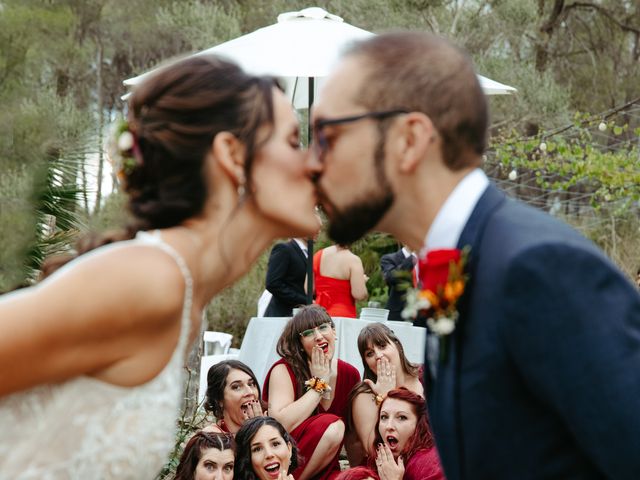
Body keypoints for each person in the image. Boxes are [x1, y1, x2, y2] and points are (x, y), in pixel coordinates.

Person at [308, 30, 640, 479]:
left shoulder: (539, 268)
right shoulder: (447, 265)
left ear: (409, 139)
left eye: (328, 135)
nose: (313, 163)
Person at [0, 54, 320, 478]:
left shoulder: (183, 294)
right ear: (231, 153)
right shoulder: (151, 278)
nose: (313, 162)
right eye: (293, 141)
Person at [262, 305, 360, 479]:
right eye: (308, 333)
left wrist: (360, 471)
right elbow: (280, 424)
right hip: (286, 467)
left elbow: (353, 437)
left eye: (323, 327)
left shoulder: (350, 374)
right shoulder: (284, 370)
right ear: (300, 344)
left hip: (327, 470)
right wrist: (319, 385)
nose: (318, 337)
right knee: (333, 426)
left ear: (334, 331)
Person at [346, 323, 424, 466]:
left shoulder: (424, 375)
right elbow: (372, 449)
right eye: (370, 353)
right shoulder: (364, 394)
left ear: (397, 345)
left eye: (382, 346)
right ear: (366, 363)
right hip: (387, 466)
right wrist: (385, 397)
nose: (378, 356)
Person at [372, 388, 444, 480]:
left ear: (419, 425)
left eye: (402, 417)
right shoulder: (379, 461)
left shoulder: (430, 463)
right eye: (384, 417)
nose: (389, 426)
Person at [205, 360, 266, 434]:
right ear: (219, 399)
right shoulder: (211, 437)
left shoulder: (272, 429)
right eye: (236, 387)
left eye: (251, 384)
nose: (250, 392)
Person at [313, 243, 368, 317]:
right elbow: (359, 295)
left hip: (319, 313)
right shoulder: (353, 260)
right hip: (343, 315)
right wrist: (362, 281)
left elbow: (308, 289)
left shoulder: (318, 255)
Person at [264, 238, 310, 317]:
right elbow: (273, 283)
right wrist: (305, 301)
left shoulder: (309, 254)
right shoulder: (283, 249)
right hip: (281, 316)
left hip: (302, 318)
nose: (318, 231)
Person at [379, 246, 416, 320]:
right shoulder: (389, 259)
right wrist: (413, 257)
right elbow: (391, 278)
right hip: (397, 313)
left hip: (423, 313)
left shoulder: (427, 258)